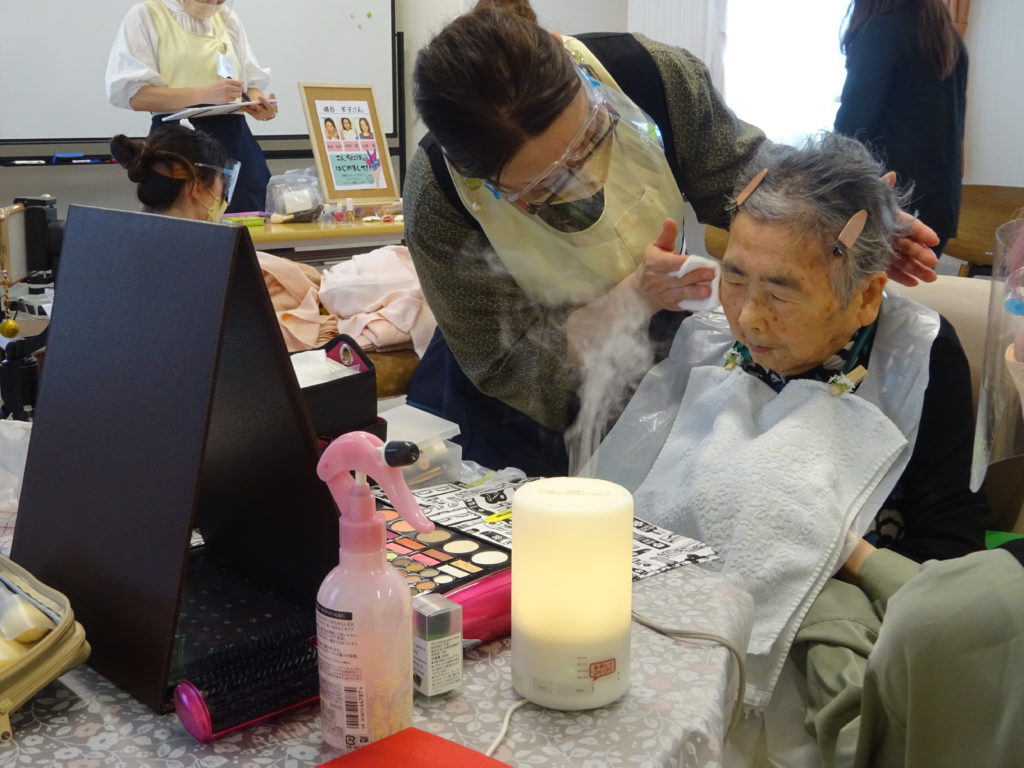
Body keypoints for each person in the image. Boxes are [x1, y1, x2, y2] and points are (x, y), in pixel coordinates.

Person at [404, 1, 942, 477]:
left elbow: (751, 181)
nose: (584, 180)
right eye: (544, 188)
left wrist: (851, 220)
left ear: (562, 53)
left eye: (591, 137)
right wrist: (630, 299)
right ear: (470, 171)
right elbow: (508, 363)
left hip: (660, 368)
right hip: (518, 421)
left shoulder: (653, 77)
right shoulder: (439, 197)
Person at [590, 132, 989, 766]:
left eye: (779, 294)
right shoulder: (704, 337)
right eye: (734, 278)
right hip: (667, 635)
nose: (748, 318)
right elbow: (629, 488)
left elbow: (949, 552)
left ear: (865, 296)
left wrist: (821, 557)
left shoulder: (916, 360)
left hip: (822, 665)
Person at [110, 125, 338, 351]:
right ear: (197, 186)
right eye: (221, 178)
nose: (222, 191)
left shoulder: (123, 247)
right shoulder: (211, 260)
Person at [106, 0, 278, 213]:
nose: (216, 3)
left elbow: (250, 85)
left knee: (252, 222)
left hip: (236, 143)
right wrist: (204, 94)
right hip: (178, 146)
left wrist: (261, 106)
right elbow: (135, 96)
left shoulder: (226, 18)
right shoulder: (146, 14)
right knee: (183, 226)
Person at [835, 0, 967, 255]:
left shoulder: (881, 30)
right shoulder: (950, 39)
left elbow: (850, 131)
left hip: (889, 202)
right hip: (939, 202)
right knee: (907, 280)